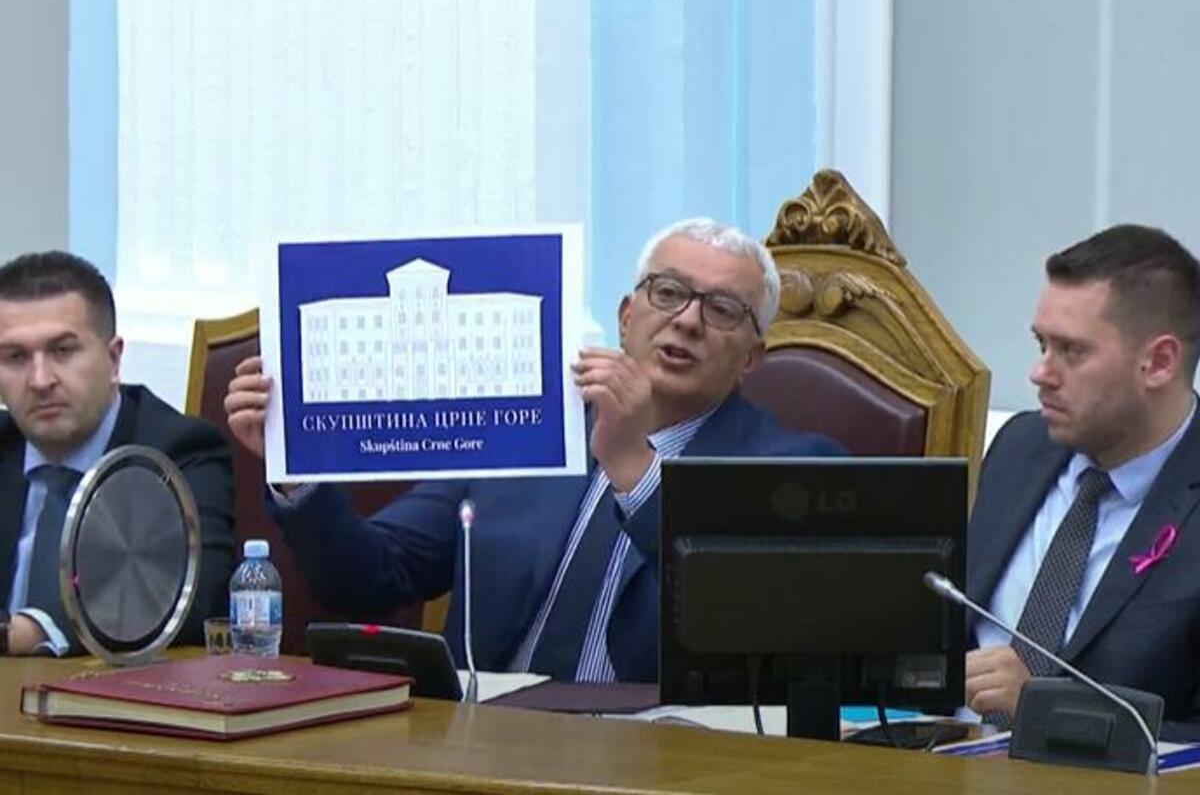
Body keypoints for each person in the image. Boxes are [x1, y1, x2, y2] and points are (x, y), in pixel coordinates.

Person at [225, 218, 842, 682]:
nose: (686, 320)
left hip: (662, 760)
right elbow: (371, 577)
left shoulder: (791, 470)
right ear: (627, 316)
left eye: (722, 309)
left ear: (751, 359)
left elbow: (753, 627)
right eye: (667, 292)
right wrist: (295, 466)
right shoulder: (529, 426)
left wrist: (636, 469)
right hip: (484, 747)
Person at [965, 224, 1200, 741]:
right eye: (1041, 344)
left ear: (1159, 362)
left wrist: (1051, 711)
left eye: (1071, 351)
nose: (1039, 373)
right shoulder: (1018, 447)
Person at [0, 251, 236, 656]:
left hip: (109, 691)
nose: (40, 380)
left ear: (113, 359)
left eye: (62, 350)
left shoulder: (179, 452)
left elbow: (185, 599)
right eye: (16, 357)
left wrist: (24, 632)